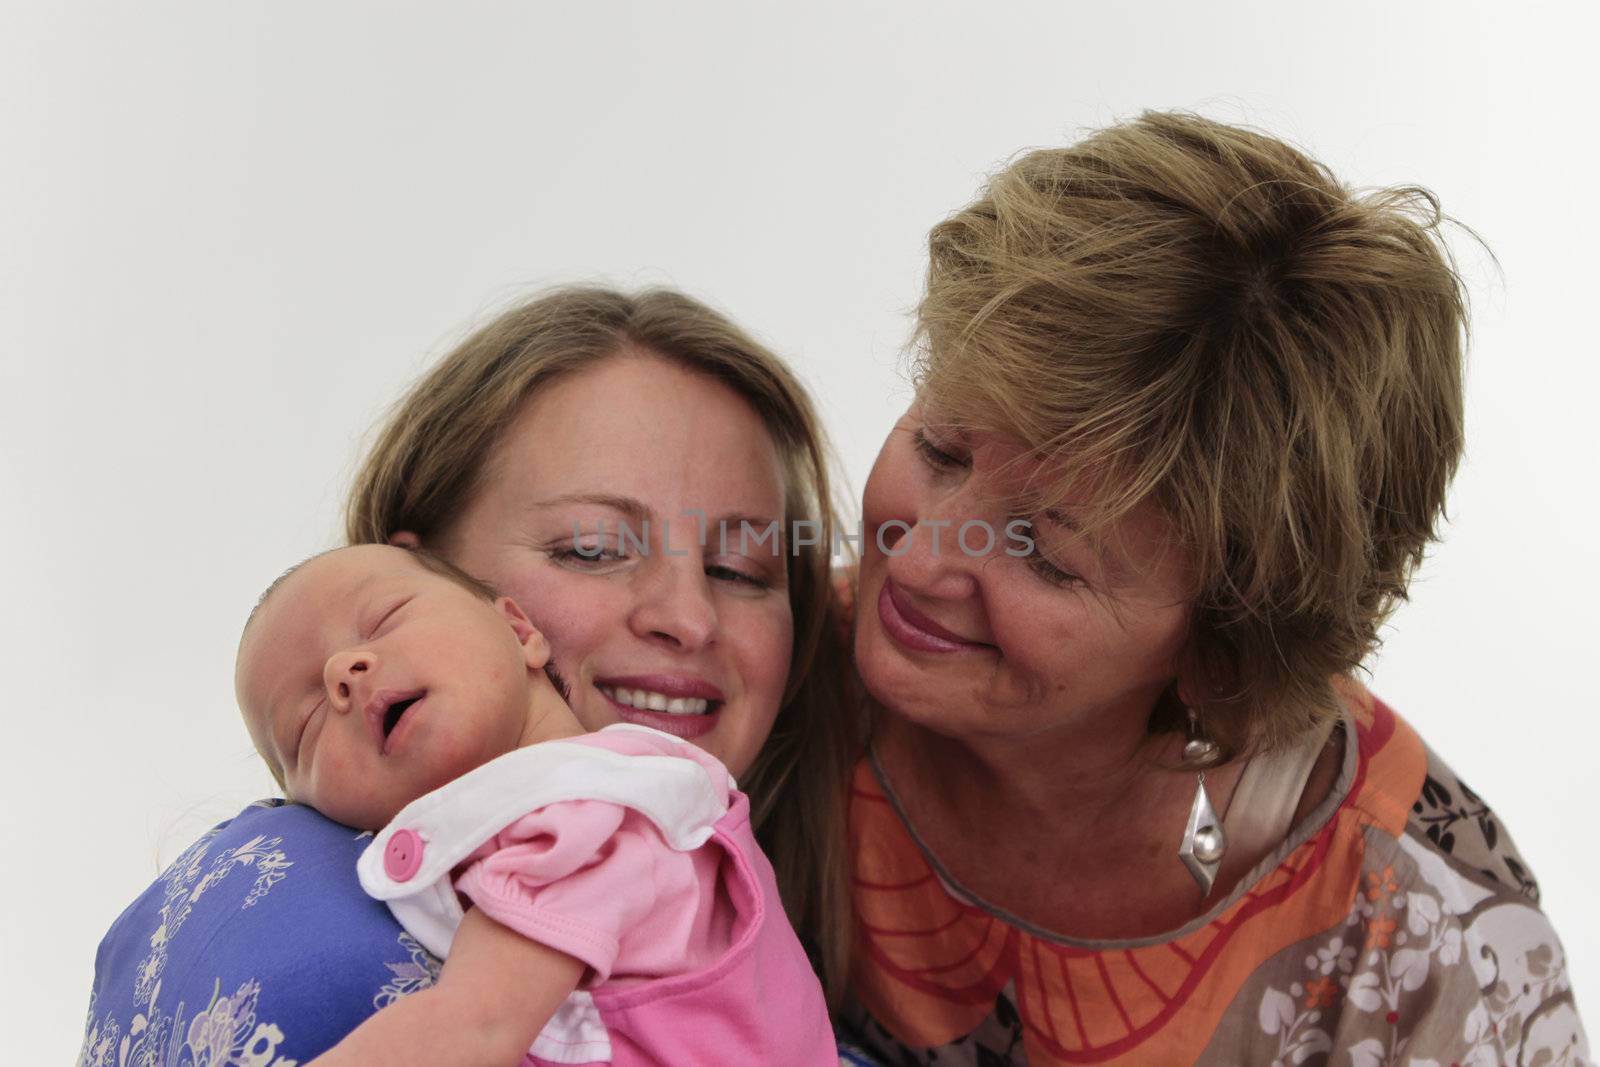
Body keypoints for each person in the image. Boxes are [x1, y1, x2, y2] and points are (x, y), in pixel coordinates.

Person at [836, 111, 1589, 1065]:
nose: (912, 559)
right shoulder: (754, 664)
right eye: (939, 448)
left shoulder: (1435, 957)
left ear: (1222, 649)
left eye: (1042, 552)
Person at [79, 288, 860, 1067]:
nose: (688, 618)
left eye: (740, 568)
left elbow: (472, 1027)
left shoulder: (594, 821)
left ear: (514, 627)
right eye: (591, 547)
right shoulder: (277, 902)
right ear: (482, 597)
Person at [231, 542, 835, 1066]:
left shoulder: (583, 811)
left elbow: (473, 1030)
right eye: (304, 724)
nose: (344, 671)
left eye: (386, 619)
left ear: (520, 631)